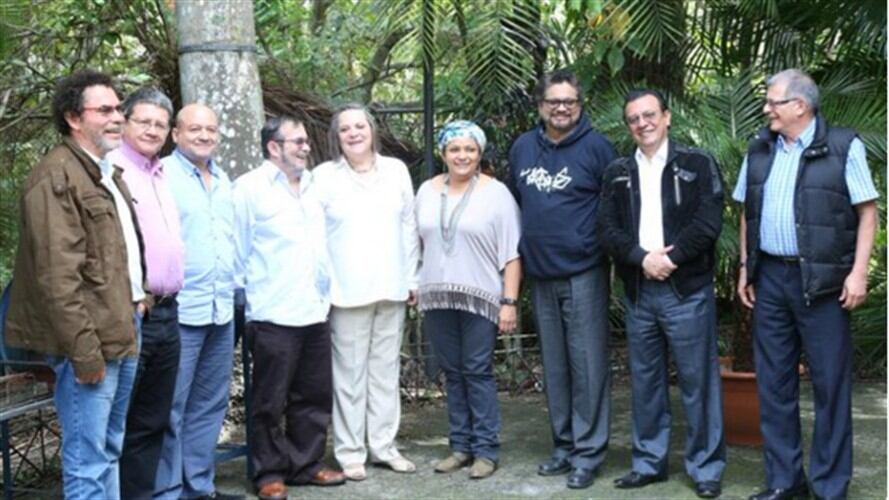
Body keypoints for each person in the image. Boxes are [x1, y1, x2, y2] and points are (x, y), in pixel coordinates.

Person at [734, 69, 878, 500]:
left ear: (800, 105)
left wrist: (858, 272)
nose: (766, 109)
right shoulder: (759, 148)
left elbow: (867, 212)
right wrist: (746, 267)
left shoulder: (842, 145)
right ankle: (785, 481)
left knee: (830, 385)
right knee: (773, 384)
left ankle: (830, 486)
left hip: (823, 282)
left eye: (773, 101)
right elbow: (747, 212)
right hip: (771, 280)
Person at [4, 69, 147, 499]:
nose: (117, 117)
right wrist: (84, 352)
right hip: (89, 342)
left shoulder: (105, 173)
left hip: (122, 328)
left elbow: (117, 255)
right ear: (73, 117)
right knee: (86, 460)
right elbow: (56, 278)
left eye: (119, 107)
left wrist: (143, 302)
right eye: (104, 109)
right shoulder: (55, 177)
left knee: (107, 448)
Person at [598, 89, 726, 499]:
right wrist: (640, 258)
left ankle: (705, 467)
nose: (642, 123)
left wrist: (670, 260)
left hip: (685, 290)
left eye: (649, 115)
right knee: (646, 382)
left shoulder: (696, 163)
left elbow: (709, 221)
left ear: (666, 117)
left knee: (698, 382)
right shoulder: (617, 172)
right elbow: (607, 229)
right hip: (639, 292)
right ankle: (649, 463)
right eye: (634, 118)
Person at [506, 69, 616, 489]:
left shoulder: (598, 149)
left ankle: (589, 454)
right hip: (540, 274)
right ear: (541, 106)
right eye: (554, 101)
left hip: (584, 272)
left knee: (587, 366)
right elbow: (515, 205)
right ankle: (564, 446)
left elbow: (615, 207)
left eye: (569, 100)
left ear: (579, 105)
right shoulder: (521, 148)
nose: (562, 107)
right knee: (555, 367)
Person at [233, 116, 345, 500]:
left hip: (314, 310)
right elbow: (237, 251)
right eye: (296, 141)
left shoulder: (314, 186)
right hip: (272, 313)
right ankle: (268, 473)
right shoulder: (249, 189)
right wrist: (248, 303)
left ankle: (306, 465)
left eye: (304, 141)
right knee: (268, 400)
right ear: (273, 147)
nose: (305, 147)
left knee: (313, 397)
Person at [313, 104, 420, 481]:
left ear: (372, 130)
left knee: (385, 373)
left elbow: (409, 226)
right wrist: (322, 288)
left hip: (392, 287)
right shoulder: (323, 177)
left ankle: (384, 446)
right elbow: (315, 237)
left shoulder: (396, 171)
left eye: (360, 126)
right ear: (336, 136)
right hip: (345, 291)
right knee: (349, 375)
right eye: (346, 129)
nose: (354, 133)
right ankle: (350, 452)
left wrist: (413, 279)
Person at [416, 120, 522, 480]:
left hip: (480, 298)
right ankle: (460, 446)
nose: (462, 156)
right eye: (455, 149)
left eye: (470, 149)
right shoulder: (426, 191)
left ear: (479, 153)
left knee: (477, 370)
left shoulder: (496, 194)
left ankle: (486, 450)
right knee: (453, 372)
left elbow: (511, 253)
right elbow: (414, 242)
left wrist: (509, 301)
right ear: (443, 153)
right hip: (437, 295)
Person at [154, 104, 238, 499]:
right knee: (171, 407)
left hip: (221, 309)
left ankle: (199, 488)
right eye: (195, 129)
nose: (204, 136)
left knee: (209, 405)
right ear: (176, 134)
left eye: (211, 130)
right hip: (181, 312)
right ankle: (169, 491)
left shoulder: (224, 180)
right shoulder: (163, 176)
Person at [108, 86, 186, 500]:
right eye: (145, 121)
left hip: (169, 313)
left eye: (160, 124)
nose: (153, 130)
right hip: (131, 313)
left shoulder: (162, 173)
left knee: (152, 421)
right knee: (118, 422)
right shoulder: (112, 169)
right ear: (124, 121)